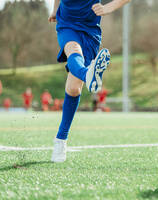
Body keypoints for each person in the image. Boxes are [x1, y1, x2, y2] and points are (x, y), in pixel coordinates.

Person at [49, 0, 130, 162]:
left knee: (73, 89)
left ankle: (60, 138)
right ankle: (87, 74)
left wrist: (107, 8)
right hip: (67, 23)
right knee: (72, 49)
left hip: (90, 31)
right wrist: (55, 9)